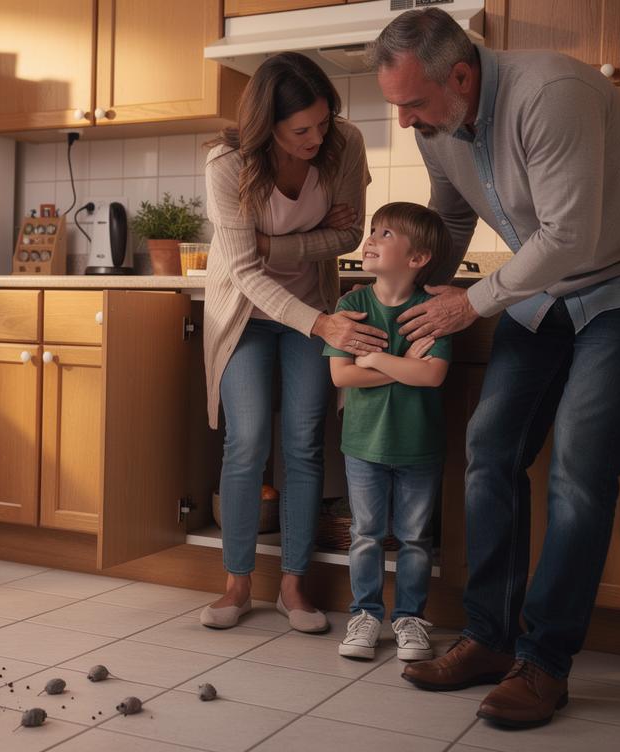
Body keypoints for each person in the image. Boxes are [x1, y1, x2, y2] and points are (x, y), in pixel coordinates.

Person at [372, 9, 620, 728]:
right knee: (490, 449)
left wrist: (473, 304)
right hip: (542, 285)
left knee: (580, 469)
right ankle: (489, 638)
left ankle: (545, 663)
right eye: (396, 105)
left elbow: (571, 234)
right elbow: (451, 220)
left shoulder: (552, 94)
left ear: (462, 75)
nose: (404, 122)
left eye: (413, 104)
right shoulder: (438, 127)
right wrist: (413, 302)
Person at [200, 51, 379, 633]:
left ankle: (294, 588)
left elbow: (352, 233)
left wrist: (279, 248)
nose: (315, 137)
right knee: (247, 439)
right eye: (300, 129)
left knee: (303, 442)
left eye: (322, 123)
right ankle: (235, 585)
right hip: (244, 313)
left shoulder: (344, 145)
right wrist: (311, 249)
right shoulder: (227, 164)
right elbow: (243, 273)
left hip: (313, 305)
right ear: (266, 126)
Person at [325, 202, 452, 663]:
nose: (370, 239)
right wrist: (406, 366)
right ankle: (365, 614)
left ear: (417, 258)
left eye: (385, 234)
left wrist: (376, 360)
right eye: (372, 231)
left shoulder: (435, 310)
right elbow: (342, 376)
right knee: (366, 533)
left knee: (416, 538)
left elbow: (434, 376)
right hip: (363, 445)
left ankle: (411, 619)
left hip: (420, 446)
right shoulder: (351, 304)